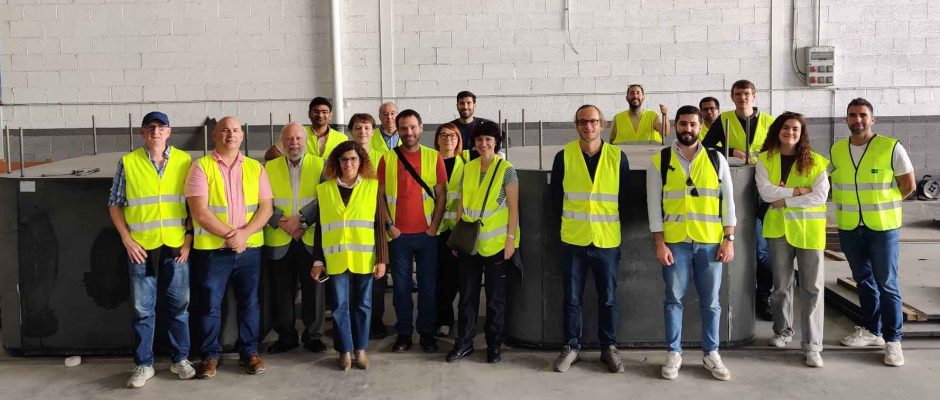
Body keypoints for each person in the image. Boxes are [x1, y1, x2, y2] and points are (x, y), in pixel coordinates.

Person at [647, 105, 736, 381]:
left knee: (711, 302)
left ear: (700, 127)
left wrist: (729, 239)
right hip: (675, 244)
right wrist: (660, 243)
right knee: (673, 300)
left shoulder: (716, 159)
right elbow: (654, 206)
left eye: (693, 124)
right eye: (683, 124)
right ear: (676, 125)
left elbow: (728, 202)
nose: (688, 129)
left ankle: (711, 353)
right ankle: (674, 353)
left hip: (710, 243)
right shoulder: (660, 160)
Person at [108, 111, 195, 388]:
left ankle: (180, 359)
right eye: (150, 127)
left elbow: (194, 204)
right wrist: (127, 239)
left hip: (176, 247)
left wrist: (188, 239)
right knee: (142, 310)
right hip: (141, 249)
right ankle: (144, 365)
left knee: (179, 307)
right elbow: (115, 203)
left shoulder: (184, 161)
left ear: (169, 132)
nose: (155, 132)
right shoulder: (128, 162)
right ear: (142, 132)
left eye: (161, 127)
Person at [185, 116, 274, 378]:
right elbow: (199, 212)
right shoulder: (200, 167)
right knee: (210, 306)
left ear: (242, 136)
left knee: (250, 304)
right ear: (214, 135)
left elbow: (266, 208)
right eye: (224, 130)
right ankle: (210, 356)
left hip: (250, 249)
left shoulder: (256, 168)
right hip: (213, 252)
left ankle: (250, 353)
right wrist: (231, 235)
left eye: (235, 130)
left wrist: (244, 234)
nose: (230, 134)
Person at [833, 98, 916, 367]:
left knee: (887, 284)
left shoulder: (891, 147)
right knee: (863, 281)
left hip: (882, 228)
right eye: (852, 115)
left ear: (872, 119)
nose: (857, 120)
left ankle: (893, 340)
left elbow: (909, 185)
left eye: (862, 115)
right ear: (846, 119)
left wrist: (882, 206)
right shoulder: (837, 149)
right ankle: (872, 331)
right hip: (849, 226)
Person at [550, 105, 631, 374]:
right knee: (571, 298)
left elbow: (625, 198)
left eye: (593, 121)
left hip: (607, 241)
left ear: (602, 124)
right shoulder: (564, 156)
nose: (588, 126)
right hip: (574, 239)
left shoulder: (617, 157)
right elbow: (555, 198)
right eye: (583, 122)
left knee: (608, 299)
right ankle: (571, 347)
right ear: (576, 125)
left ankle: (608, 347)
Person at [756, 112, 830, 367]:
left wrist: (785, 200)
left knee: (812, 288)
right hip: (778, 231)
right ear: (778, 130)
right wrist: (799, 191)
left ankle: (812, 345)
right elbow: (766, 193)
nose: (790, 132)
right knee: (781, 286)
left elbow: (819, 196)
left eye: (795, 129)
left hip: (809, 232)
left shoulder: (816, 162)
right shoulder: (765, 159)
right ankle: (782, 330)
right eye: (786, 127)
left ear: (802, 133)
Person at [310, 141, 389, 370]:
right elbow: (320, 228)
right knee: (339, 306)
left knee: (363, 304)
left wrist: (382, 258)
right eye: (344, 159)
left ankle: (360, 349)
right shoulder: (325, 189)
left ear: (361, 161)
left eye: (353, 159)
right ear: (337, 162)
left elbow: (379, 225)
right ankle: (344, 350)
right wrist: (318, 260)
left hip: (364, 257)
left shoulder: (373, 187)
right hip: (335, 257)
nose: (348, 164)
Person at [701, 79, 775, 321]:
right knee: (740, 246)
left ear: (754, 96)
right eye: (738, 94)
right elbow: (706, 146)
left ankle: (763, 297)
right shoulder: (725, 120)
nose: (743, 98)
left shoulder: (769, 121)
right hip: (736, 187)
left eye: (746, 94)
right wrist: (731, 151)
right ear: (732, 97)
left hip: (764, 190)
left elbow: (781, 149)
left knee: (762, 250)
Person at [445, 121, 519, 364]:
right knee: (467, 297)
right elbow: (461, 204)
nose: (483, 144)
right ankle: (464, 343)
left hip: (496, 245)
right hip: (469, 244)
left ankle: (494, 346)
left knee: (496, 299)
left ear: (496, 142)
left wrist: (510, 241)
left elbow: (513, 208)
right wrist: (457, 237)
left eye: (488, 139)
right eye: (479, 139)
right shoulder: (468, 168)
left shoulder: (506, 169)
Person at [378, 109, 447, 353]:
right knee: (401, 289)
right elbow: (380, 197)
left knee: (428, 287)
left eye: (413, 127)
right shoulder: (387, 159)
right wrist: (389, 226)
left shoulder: (434, 157)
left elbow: (441, 195)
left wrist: (433, 227)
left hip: (427, 236)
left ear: (421, 128)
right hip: (399, 236)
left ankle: (427, 334)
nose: (409, 132)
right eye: (404, 128)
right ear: (397, 130)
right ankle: (404, 334)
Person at [263, 123, 327, 355]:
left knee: (314, 290)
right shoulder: (268, 168)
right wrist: (282, 222)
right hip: (279, 237)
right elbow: (261, 200)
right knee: (282, 291)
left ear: (306, 141)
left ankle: (313, 336)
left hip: (309, 238)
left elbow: (325, 199)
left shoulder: (320, 165)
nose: (294, 143)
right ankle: (286, 336)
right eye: (289, 139)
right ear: (281, 142)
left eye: (299, 138)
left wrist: (301, 221)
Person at [433, 123, 466, 338]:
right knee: (439, 278)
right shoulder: (430, 161)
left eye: (453, 135)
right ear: (437, 139)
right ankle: (443, 319)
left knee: (459, 278)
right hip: (435, 229)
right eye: (443, 135)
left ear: (459, 139)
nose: (448, 139)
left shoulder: (467, 161)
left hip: (458, 230)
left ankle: (462, 322)